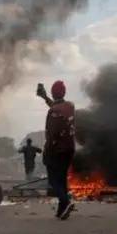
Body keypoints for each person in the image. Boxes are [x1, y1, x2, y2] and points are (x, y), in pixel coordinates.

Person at [38, 80, 76, 219]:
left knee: (54, 181)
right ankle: (61, 210)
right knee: (62, 178)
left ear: (53, 94)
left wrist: (46, 152)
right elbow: (59, 107)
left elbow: (52, 135)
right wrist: (45, 98)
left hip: (57, 150)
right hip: (70, 149)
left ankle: (65, 202)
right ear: (64, 92)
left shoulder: (53, 111)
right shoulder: (70, 106)